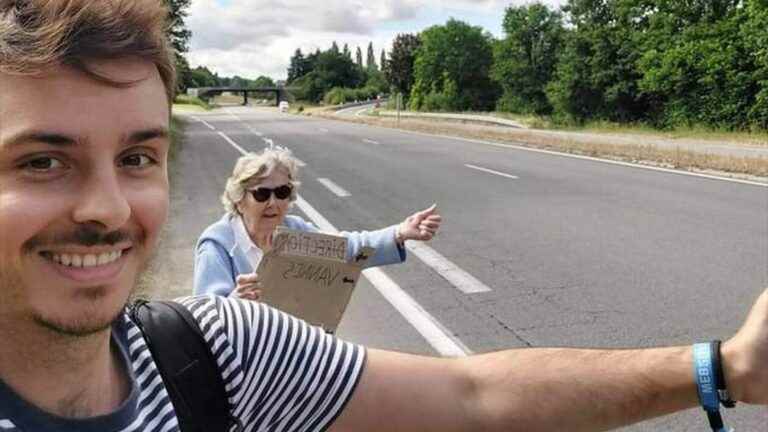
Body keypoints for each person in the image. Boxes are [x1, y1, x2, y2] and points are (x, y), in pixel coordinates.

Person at [0, 1, 767, 432]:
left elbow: (474, 398)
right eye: (42, 161)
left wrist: (721, 367)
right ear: (238, 200)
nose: (106, 209)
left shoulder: (220, 354)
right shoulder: (216, 263)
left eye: (137, 157)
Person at [193, 147, 442, 300]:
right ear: (239, 199)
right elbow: (205, 318)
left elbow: (345, 248)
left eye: (281, 192)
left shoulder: (295, 230)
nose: (273, 203)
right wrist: (236, 301)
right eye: (261, 194)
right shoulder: (218, 244)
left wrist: (400, 232)